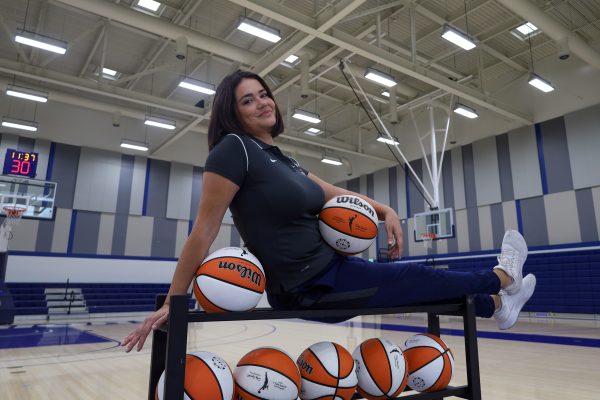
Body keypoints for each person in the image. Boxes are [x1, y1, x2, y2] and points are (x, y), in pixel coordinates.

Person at [122, 70, 536, 352]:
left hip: (334, 270)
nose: (263, 102)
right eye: (248, 100)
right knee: (415, 276)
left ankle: (497, 307)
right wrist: (175, 301)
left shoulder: (282, 159)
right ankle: (502, 277)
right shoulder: (234, 151)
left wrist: (384, 210)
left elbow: (332, 192)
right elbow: (204, 230)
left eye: (264, 93)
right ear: (234, 114)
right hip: (310, 286)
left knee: (420, 288)